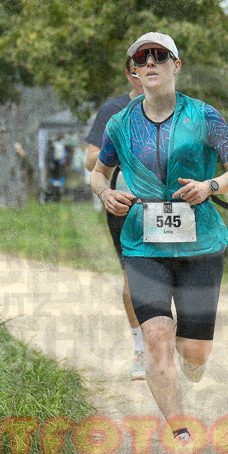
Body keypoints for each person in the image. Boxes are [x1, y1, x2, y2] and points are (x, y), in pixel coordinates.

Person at [90, 32, 228, 454]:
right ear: (135, 71)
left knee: (193, 353)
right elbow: (98, 173)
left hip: (201, 245)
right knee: (157, 339)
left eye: (161, 56)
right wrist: (105, 194)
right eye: (143, 58)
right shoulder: (120, 124)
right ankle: (181, 434)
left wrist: (209, 185)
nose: (152, 62)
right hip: (144, 245)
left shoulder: (205, 116)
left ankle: (191, 363)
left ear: (176, 65)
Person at [85, 56, 148, 381]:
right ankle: (141, 349)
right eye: (138, 72)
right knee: (132, 277)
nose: (145, 76)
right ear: (129, 74)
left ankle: (166, 341)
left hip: (167, 205)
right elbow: (89, 160)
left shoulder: (175, 108)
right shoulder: (112, 111)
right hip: (124, 203)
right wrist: (118, 146)